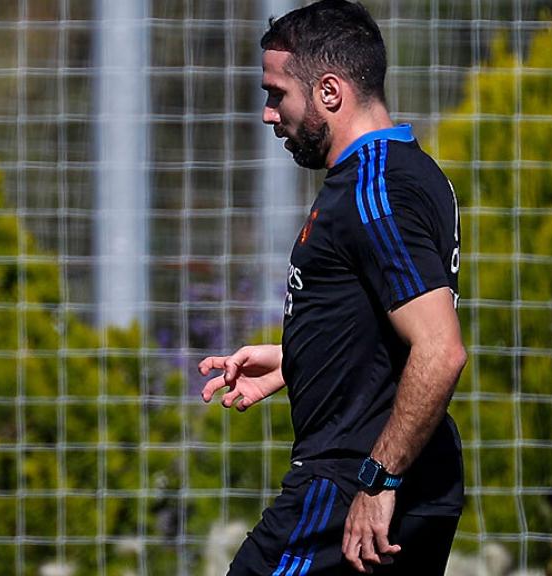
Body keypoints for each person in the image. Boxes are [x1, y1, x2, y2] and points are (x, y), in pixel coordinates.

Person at [199, 1, 466, 573]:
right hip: (399, 476)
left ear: (328, 91)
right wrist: (294, 361)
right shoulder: (408, 172)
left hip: (353, 480)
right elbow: (385, 327)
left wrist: (378, 480)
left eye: (277, 93)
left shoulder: (375, 190)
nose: (270, 114)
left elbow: (440, 350)